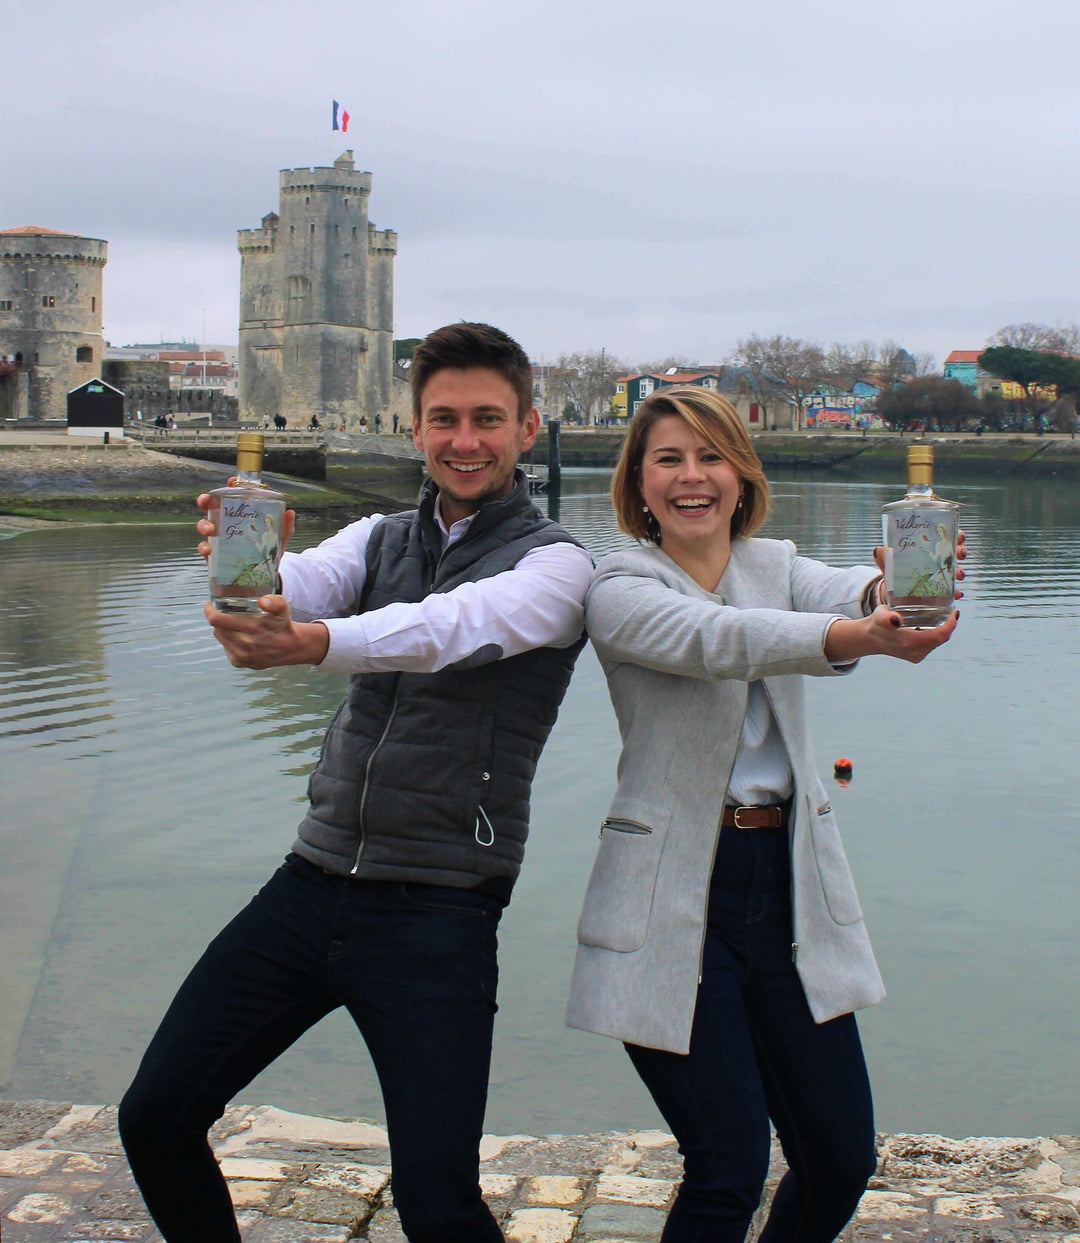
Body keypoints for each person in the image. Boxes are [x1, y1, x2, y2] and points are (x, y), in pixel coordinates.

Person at [118, 322, 592, 1243]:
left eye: (487, 419)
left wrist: (309, 643)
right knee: (156, 1114)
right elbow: (301, 586)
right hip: (311, 882)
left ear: (528, 429)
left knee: (437, 1197)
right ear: (415, 428)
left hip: (441, 908)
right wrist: (242, 575)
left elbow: (450, 627)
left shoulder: (558, 566)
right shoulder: (376, 536)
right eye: (444, 418)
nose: (465, 439)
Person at [566, 386, 964, 1243]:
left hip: (785, 887)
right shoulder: (620, 587)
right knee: (727, 1165)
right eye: (667, 458)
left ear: (742, 476)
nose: (691, 476)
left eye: (711, 456)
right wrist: (854, 637)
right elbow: (721, 639)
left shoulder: (775, 563)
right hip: (675, 894)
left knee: (840, 1157)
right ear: (637, 483)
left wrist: (901, 581)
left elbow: (848, 590)